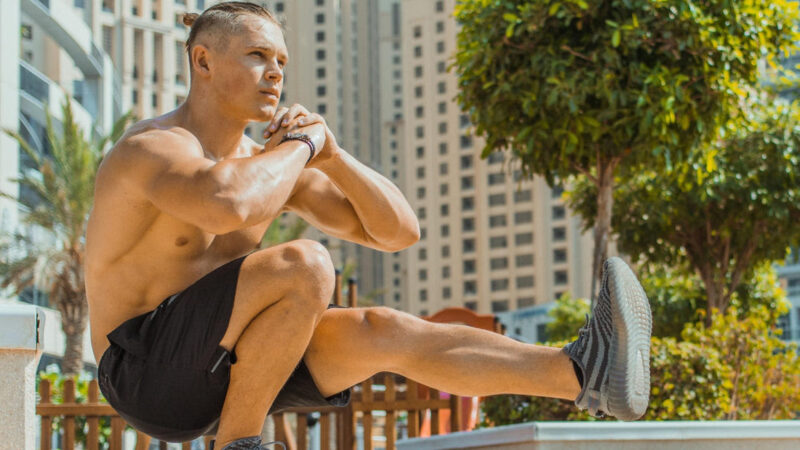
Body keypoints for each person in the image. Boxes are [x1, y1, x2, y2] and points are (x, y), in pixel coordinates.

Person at [85, 2, 653, 449]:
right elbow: (227, 206)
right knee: (304, 262)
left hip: (224, 367)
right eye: (259, 56)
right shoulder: (156, 148)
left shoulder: (273, 167)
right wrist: (302, 145)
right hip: (143, 373)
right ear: (203, 61)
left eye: (283, 61)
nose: (276, 74)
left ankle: (583, 374)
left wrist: (331, 154)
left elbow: (399, 232)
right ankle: (240, 445)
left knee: (381, 331)